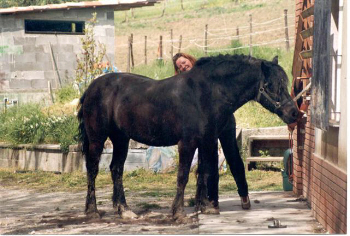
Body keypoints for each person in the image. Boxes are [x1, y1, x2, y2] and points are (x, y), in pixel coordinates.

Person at [172, 52, 251, 210]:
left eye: (183, 62)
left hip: (225, 121)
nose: (182, 66)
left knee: (233, 156)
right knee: (210, 160)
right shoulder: (185, 83)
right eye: (179, 66)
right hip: (206, 124)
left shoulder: (207, 71)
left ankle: (244, 194)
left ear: (190, 59)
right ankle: (212, 200)